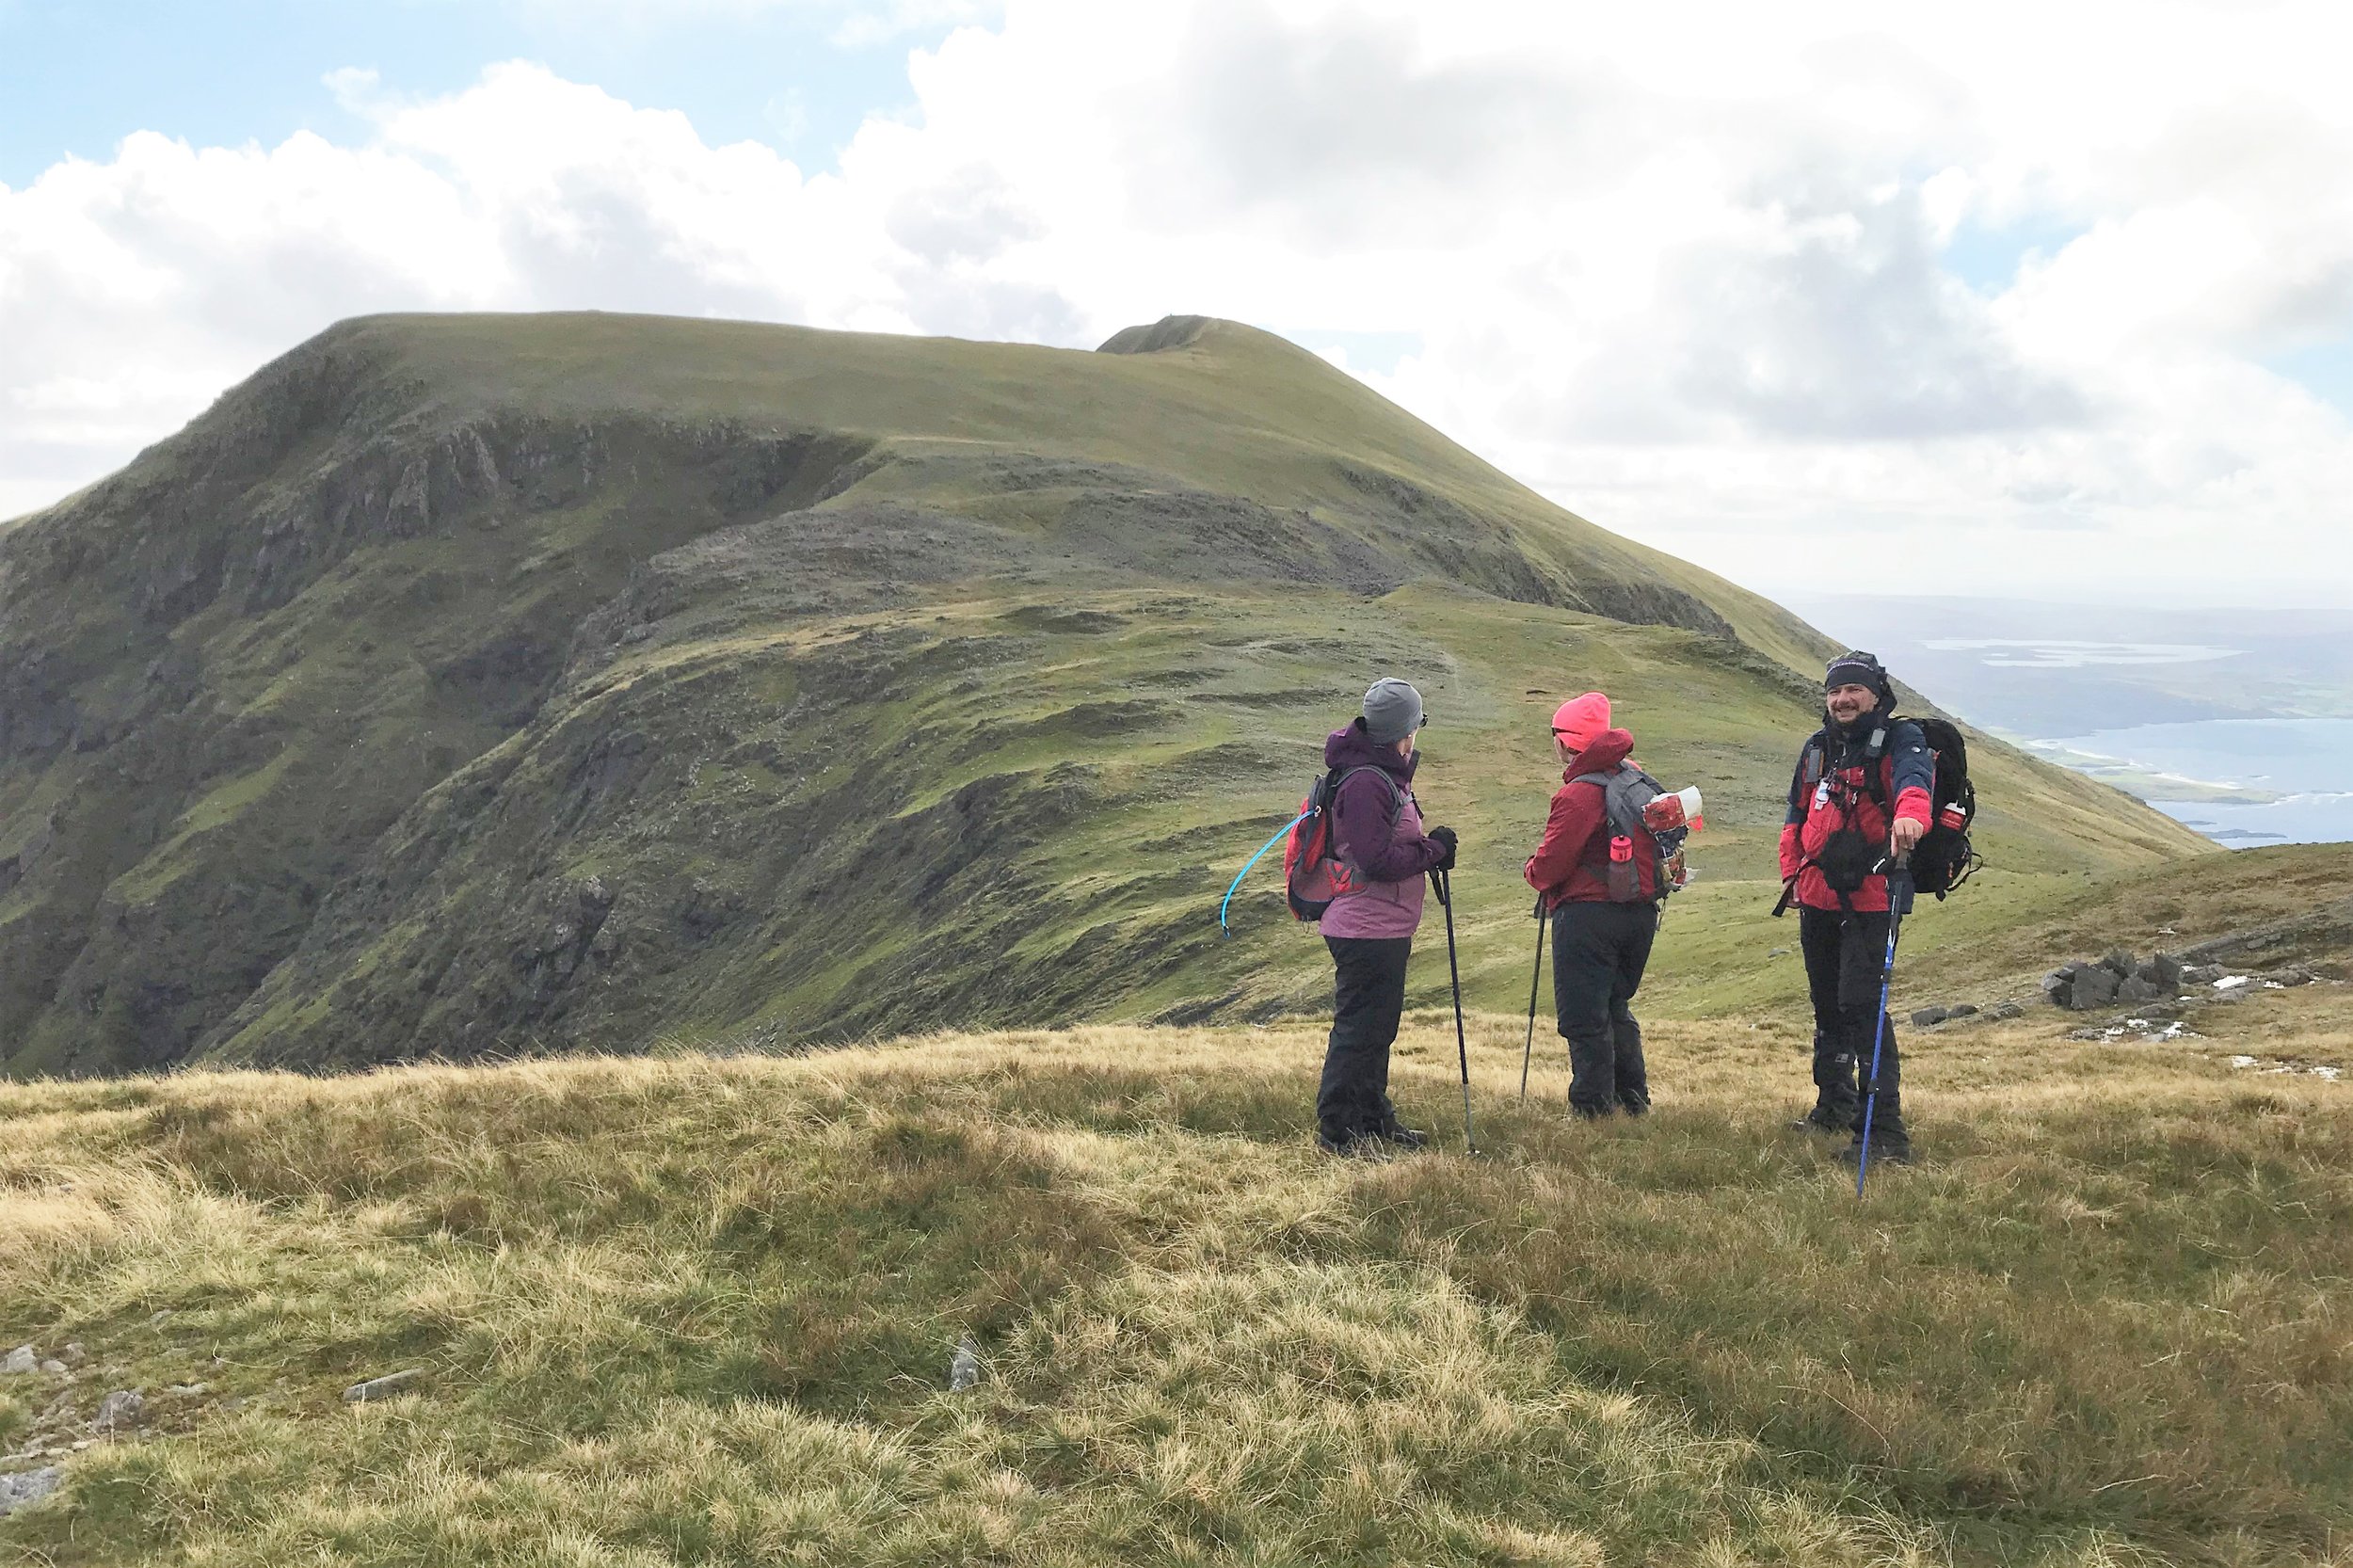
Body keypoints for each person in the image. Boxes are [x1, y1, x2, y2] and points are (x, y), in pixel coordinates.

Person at [1779, 651, 1931, 1163]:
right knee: (1827, 1007)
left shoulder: (1901, 739)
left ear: (1875, 695)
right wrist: (1792, 874)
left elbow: (1915, 783)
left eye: (1853, 691)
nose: (1842, 700)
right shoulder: (1818, 747)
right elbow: (1795, 815)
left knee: (1864, 1010)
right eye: (1834, 692)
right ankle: (1834, 1105)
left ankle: (1885, 1134)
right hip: (1816, 896)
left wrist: (1911, 818)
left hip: (1870, 900)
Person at [1313, 677, 1457, 1156]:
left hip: (1380, 924)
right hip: (1364, 926)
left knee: (1376, 1029)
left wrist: (1429, 849)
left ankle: (1372, 1119)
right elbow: (1375, 862)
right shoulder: (1368, 781)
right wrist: (1433, 850)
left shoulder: (1377, 774)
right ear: (1406, 729)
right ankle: (1338, 1131)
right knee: (1360, 1029)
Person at [1522, 691, 1659, 1118]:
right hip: (1640, 911)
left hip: (1588, 916)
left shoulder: (1578, 794)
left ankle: (1592, 1111)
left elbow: (1551, 865)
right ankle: (1632, 1102)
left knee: (1584, 1014)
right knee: (1616, 1005)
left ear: (1566, 742)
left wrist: (1532, 872)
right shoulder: (1634, 776)